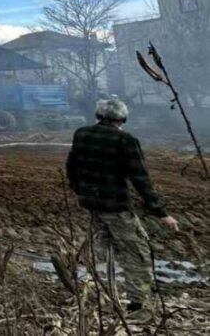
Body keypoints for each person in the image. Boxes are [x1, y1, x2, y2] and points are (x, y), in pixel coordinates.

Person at [65, 98, 180, 319]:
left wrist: (81, 190)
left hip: (92, 204)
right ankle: (138, 304)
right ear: (123, 118)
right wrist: (161, 213)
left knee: (105, 248)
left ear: (99, 116)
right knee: (137, 253)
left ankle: (105, 292)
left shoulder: (81, 134)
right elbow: (141, 179)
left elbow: (71, 166)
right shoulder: (125, 140)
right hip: (116, 207)